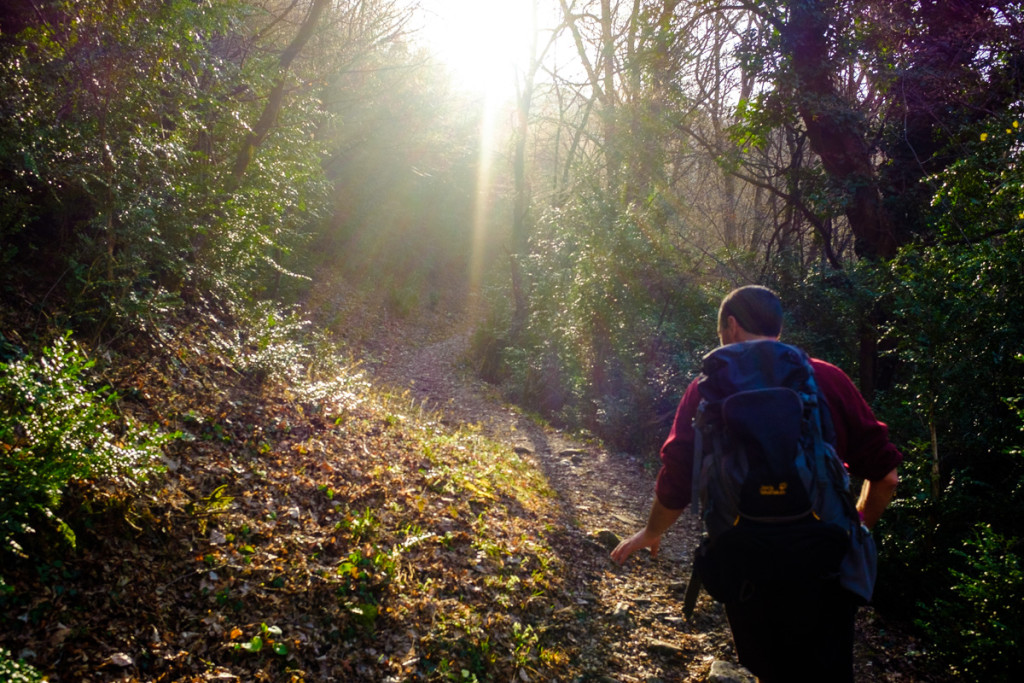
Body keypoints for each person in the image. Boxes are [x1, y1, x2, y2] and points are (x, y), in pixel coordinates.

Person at [611, 285, 901, 682]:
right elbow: (886, 475)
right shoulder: (825, 379)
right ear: (778, 328)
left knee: (765, 668)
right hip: (824, 562)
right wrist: (859, 528)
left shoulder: (706, 389)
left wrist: (652, 530)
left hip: (743, 558)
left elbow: (678, 477)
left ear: (731, 326)